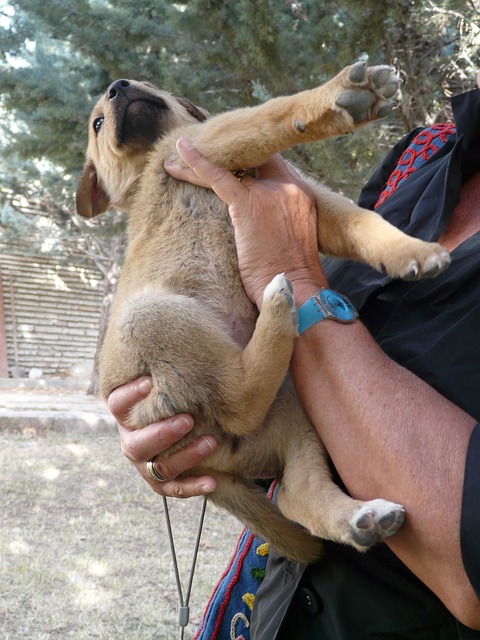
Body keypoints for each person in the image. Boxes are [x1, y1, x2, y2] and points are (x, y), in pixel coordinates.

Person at [108, 77, 480, 638]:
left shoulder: (188, 147)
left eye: (147, 88)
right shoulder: (423, 157)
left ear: (195, 111)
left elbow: (276, 124)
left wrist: (327, 105)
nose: (119, 93)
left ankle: (308, 487)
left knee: (292, 426)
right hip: (266, 600)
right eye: (98, 121)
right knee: (157, 328)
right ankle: (285, 457)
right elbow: (339, 226)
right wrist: (165, 446)